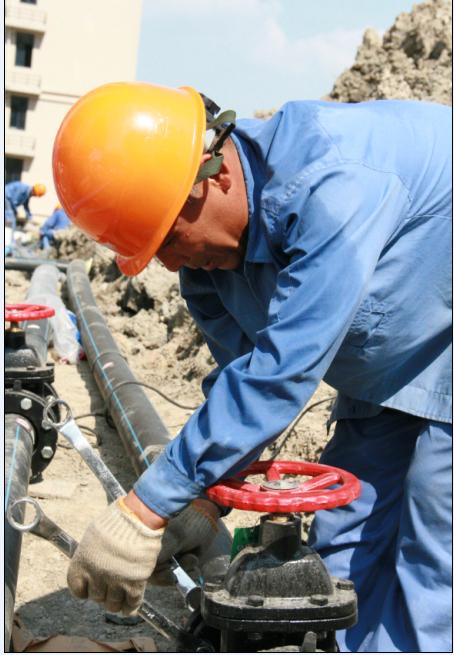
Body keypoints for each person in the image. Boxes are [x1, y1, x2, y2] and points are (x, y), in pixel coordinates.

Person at [52, 82, 452, 653]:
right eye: (152, 250)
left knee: (432, 548)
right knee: (344, 539)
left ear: (212, 176)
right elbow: (242, 390)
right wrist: (201, 499)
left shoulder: (333, 186)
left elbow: (278, 375)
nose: (169, 262)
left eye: (168, 236)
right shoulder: (205, 267)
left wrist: (143, 510)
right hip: (390, 358)